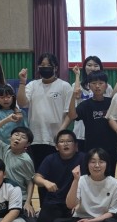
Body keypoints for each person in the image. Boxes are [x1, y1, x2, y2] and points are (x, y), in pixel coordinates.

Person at [17, 53, 74, 184]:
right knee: (40, 175)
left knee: (57, 175)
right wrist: (22, 82)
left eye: (48, 65)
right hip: (36, 138)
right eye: (42, 65)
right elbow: (22, 102)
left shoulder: (64, 86)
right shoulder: (32, 85)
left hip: (56, 139)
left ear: (56, 68)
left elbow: (70, 114)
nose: (45, 68)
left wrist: (60, 132)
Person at [51, 148, 117, 222]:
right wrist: (75, 180)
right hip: (80, 219)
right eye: (93, 162)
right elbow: (70, 205)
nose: (97, 165)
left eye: (101, 162)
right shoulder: (81, 180)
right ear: (87, 164)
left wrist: (91, 221)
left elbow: (112, 212)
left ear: (107, 164)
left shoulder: (115, 184)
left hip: (101, 221)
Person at [0, 114, 37, 222]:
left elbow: (30, 182)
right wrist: (7, 120)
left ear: (27, 144)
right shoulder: (4, 149)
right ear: (11, 137)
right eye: (16, 135)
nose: (18, 138)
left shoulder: (26, 160)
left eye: (23, 137)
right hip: (2, 196)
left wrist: (28, 202)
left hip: (20, 197)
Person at [33, 130, 86, 222]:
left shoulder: (83, 158)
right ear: (57, 147)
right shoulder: (50, 159)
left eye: (69, 141)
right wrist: (45, 182)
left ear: (76, 145)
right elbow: (36, 177)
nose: (65, 144)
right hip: (55, 202)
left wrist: (80, 203)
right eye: (61, 141)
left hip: (76, 202)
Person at [69, 71, 117, 176]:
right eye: (94, 83)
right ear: (89, 86)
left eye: (101, 83)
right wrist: (73, 97)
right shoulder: (85, 105)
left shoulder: (112, 102)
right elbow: (72, 116)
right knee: (91, 176)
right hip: (91, 147)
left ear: (106, 86)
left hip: (111, 147)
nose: (97, 86)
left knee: (109, 176)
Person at [72, 56, 113, 151]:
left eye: (96, 65)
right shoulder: (77, 85)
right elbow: (76, 96)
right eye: (89, 65)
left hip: (100, 130)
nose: (92, 68)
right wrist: (77, 75)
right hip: (80, 129)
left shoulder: (107, 87)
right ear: (84, 67)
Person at [0, 84, 27, 148]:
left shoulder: (20, 113)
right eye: (2, 97)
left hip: (16, 147)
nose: (5, 99)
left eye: (8, 97)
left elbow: (26, 132)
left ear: (13, 97)